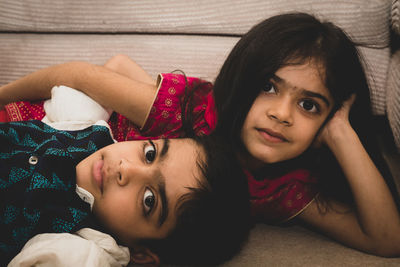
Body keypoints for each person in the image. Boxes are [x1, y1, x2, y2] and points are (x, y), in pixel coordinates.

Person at [2, 12, 400, 257]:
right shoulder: (188, 111)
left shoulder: (282, 189)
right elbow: (77, 75)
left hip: (112, 192)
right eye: (269, 87)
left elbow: (387, 240)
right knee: (109, 78)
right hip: (97, 138)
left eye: (309, 105)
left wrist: (342, 133)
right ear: (244, 79)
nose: (281, 115)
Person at [0, 86, 251, 266]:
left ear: (142, 253)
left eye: (149, 200)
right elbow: (78, 86)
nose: (126, 168)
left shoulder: (81, 248)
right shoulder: (92, 127)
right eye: (150, 154)